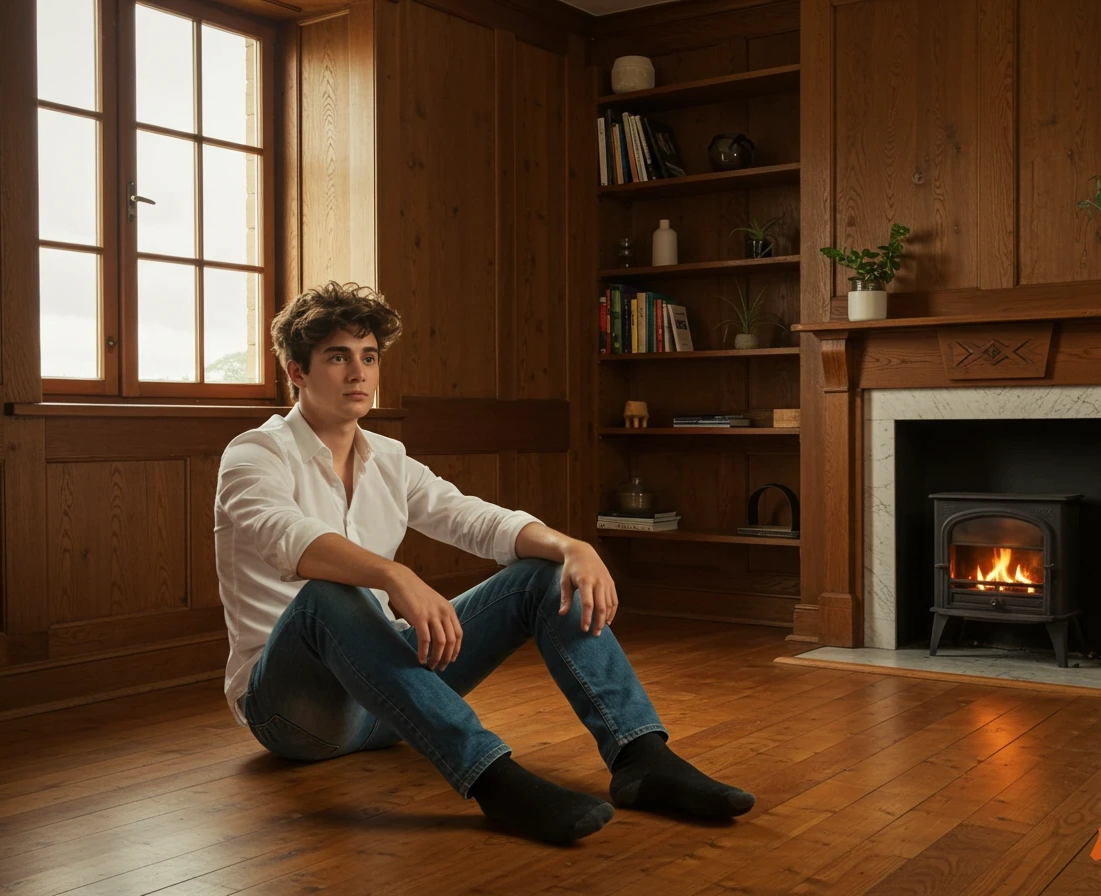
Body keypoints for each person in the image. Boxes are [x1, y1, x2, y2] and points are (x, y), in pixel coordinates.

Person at [215, 281, 755, 845]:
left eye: (369, 357)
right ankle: (494, 781)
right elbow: (287, 537)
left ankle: (643, 758)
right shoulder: (254, 454)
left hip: (387, 702)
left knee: (543, 574)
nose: (359, 373)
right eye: (337, 358)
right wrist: (392, 573)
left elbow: (473, 519)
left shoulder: (389, 458)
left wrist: (574, 546)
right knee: (329, 593)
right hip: (293, 713)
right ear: (297, 371)